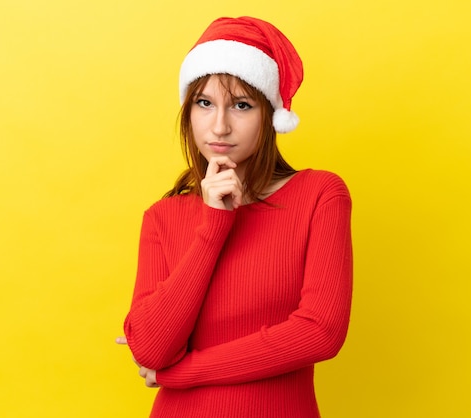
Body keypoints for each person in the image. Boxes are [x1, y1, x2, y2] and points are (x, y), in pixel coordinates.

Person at [117, 16, 353, 417]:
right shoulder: (163, 216)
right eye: (204, 103)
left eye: (241, 105)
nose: (220, 126)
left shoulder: (320, 195)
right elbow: (153, 348)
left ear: (269, 115)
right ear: (188, 112)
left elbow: (320, 332)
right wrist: (213, 226)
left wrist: (182, 372)